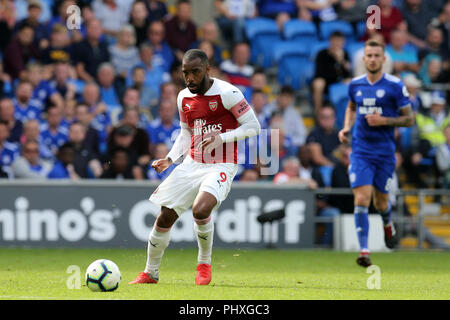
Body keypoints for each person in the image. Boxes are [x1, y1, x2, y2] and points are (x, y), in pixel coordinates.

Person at [129, 49, 260, 286]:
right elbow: (185, 133)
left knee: (200, 210)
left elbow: (253, 126)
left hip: (221, 163)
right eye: (185, 73)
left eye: (195, 72)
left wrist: (222, 138)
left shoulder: (228, 93)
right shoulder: (183, 98)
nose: (189, 78)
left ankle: (204, 264)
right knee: (165, 216)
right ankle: (150, 272)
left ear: (207, 70)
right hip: (191, 163)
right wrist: (170, 159)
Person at [338, 39, 415, 267]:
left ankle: (387, 221)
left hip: (384, 153)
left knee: (381, 202)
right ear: (363, 59)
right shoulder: (355, 85)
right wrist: (346, 127)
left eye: (376, 55)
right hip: (361, 151)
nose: (372, 59)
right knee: (361, 198)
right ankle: (364, 251)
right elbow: (351, 107)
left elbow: (409, 119)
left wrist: (385, 120)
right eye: (368, 55)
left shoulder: (395, 85)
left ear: (383, 59)